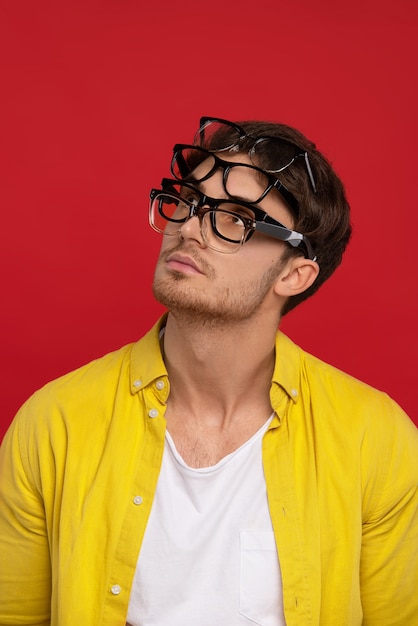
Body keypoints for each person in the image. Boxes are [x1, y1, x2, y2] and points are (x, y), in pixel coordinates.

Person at [0, 116, 417, 626]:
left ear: (294, 273)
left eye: (237, 218)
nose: (190, 227)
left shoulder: (374, 438)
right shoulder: (55, 422)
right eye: (189, 202)